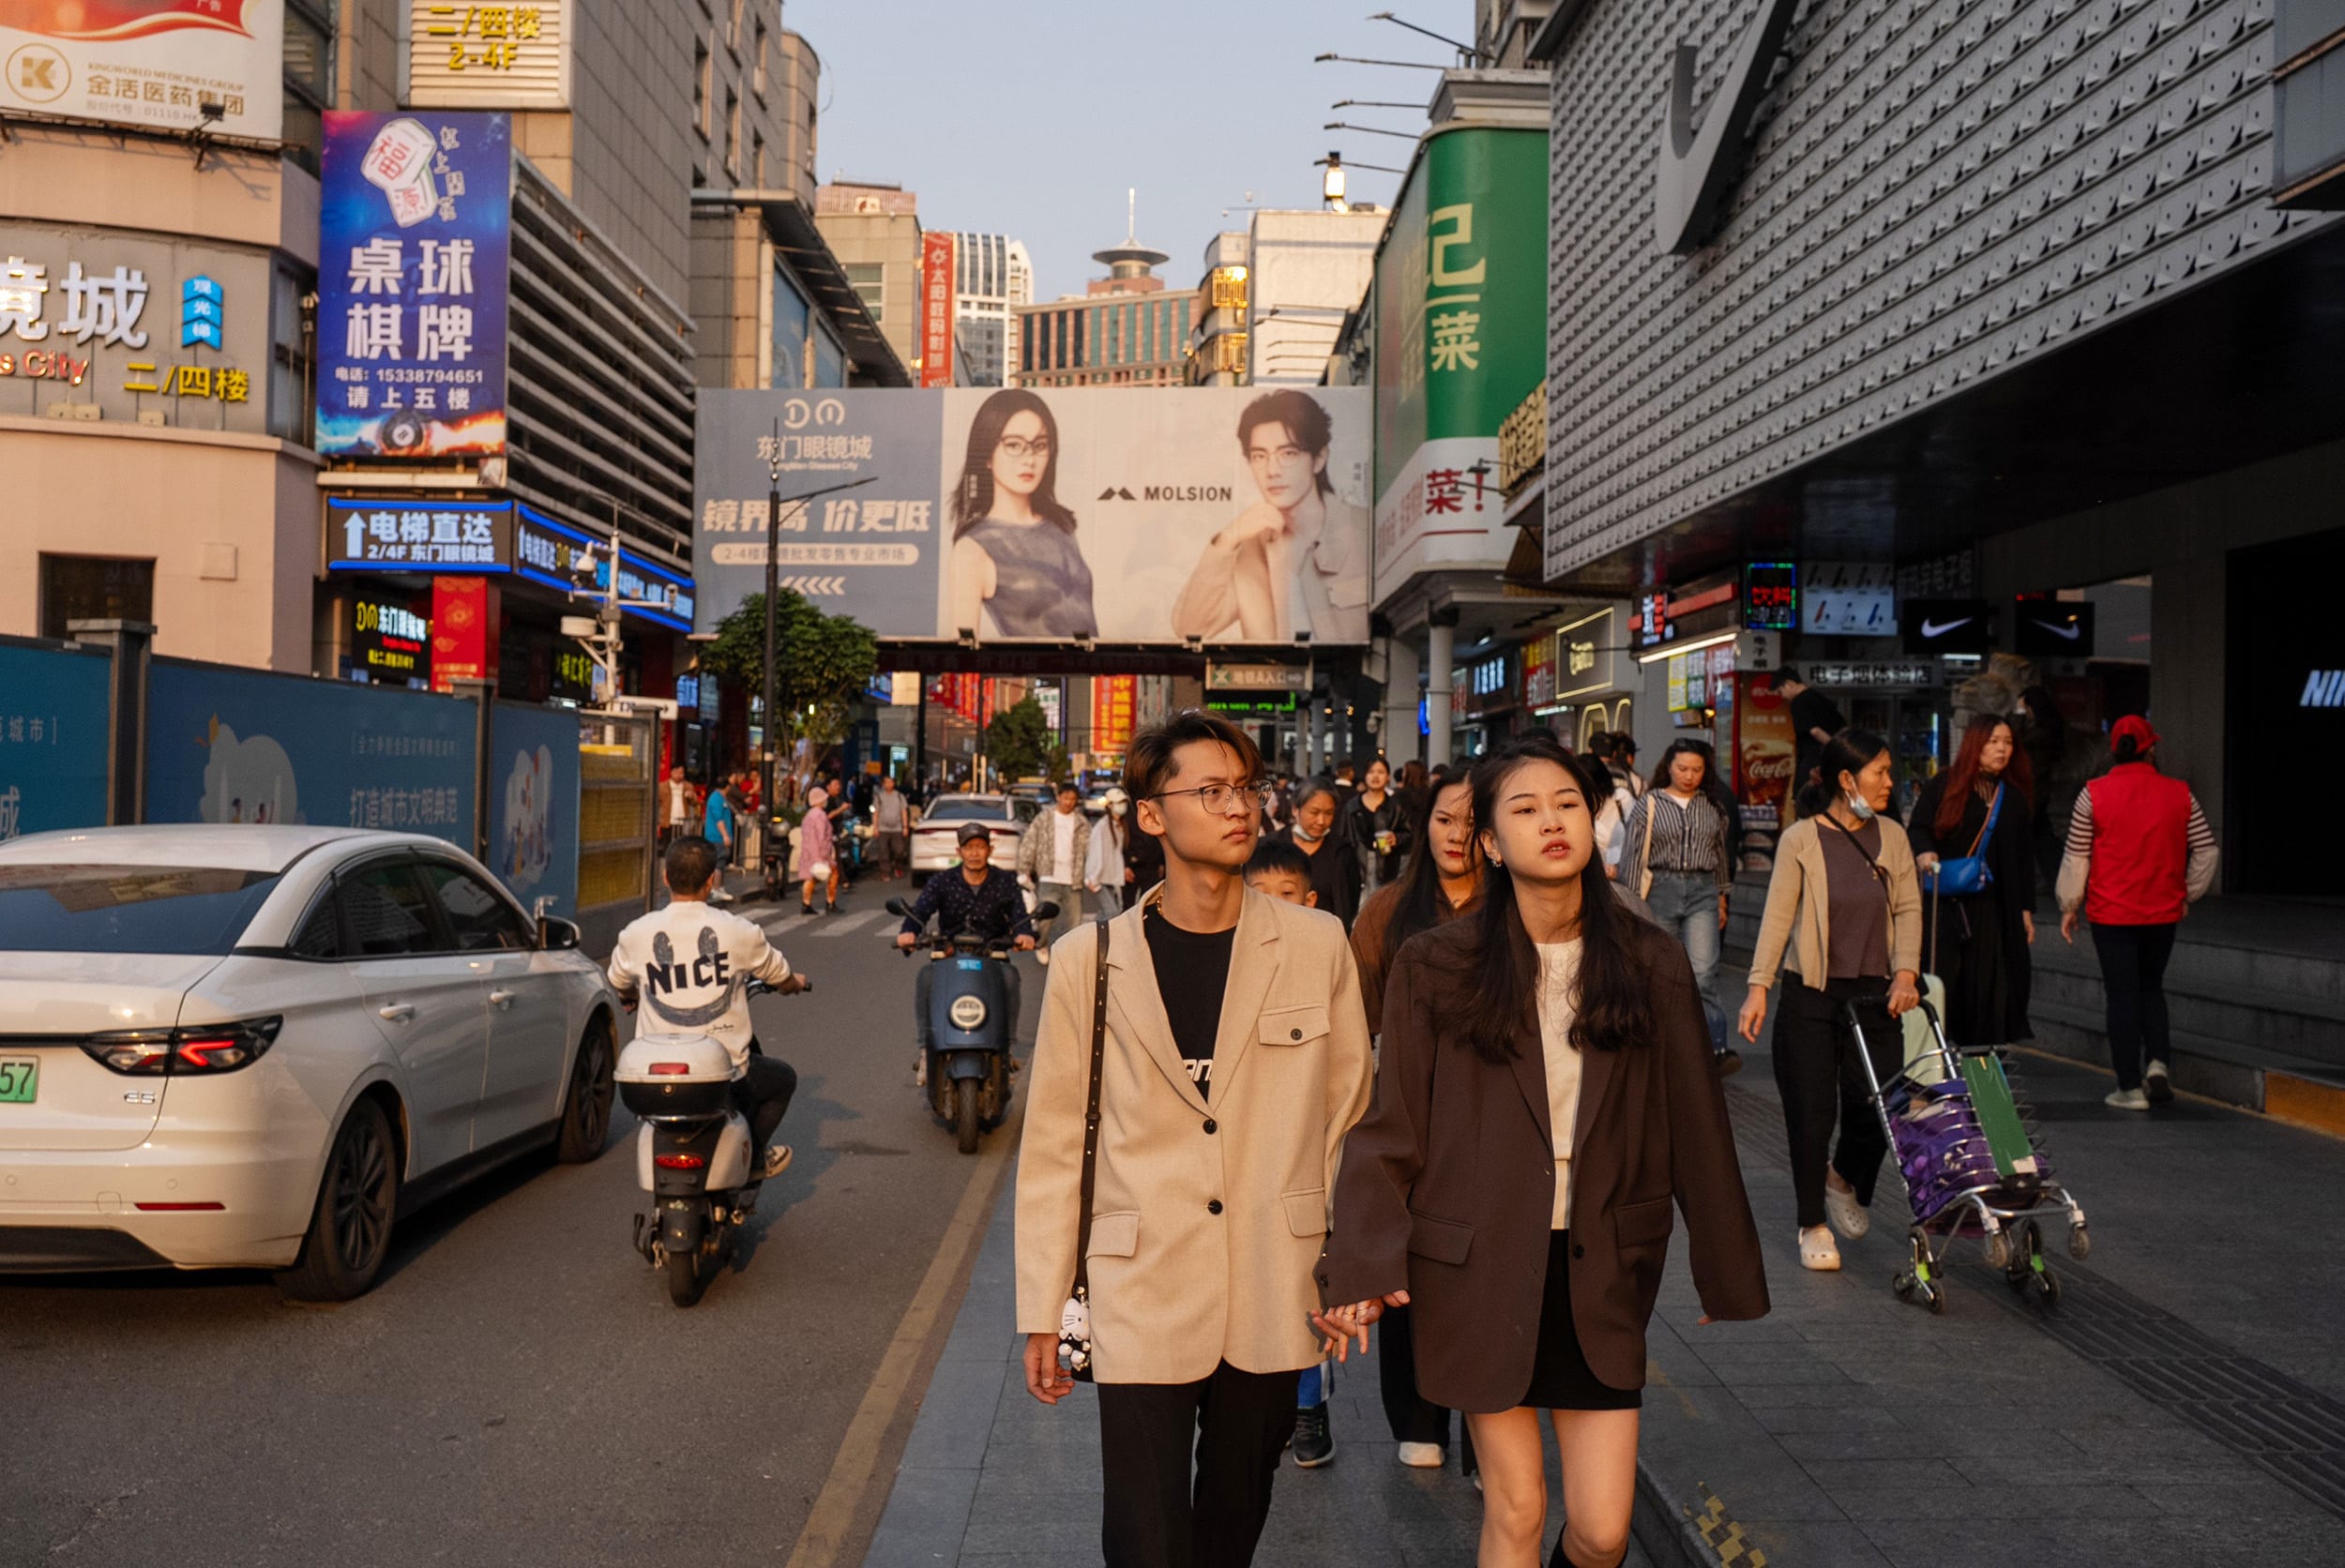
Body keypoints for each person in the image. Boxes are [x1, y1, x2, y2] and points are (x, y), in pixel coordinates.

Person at [1317, 734, 1768, 1568]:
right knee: (1518, 1511)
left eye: (1567, 804)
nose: (1551, 823)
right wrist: (1362, 1262)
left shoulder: (1649, 960)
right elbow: (1393, 1123)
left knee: (1600, 1533)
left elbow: (1697, 1124)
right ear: (1489, 841)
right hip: (1476, 1262)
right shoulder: (1436, 964)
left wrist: (1725, 1264)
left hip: (1600, 1263)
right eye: (1523, 810)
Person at [1017, 711, 1374, 1568]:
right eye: (1209, 791)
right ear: (1151, 815)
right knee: (1143, 1538)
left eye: (1246, 789)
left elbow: (1350, 1120)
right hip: (1138, 1281)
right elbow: (1057, 1145)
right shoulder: (1087, 959)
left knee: (1233, 1524)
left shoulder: (1318, 944)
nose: (1237, 807)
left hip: (1274, 1280)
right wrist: (1041, 1310)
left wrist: (1348, 1266)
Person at [1736, 730, 1924, 1274]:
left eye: (1890, 772)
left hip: (1877, 993)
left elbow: (1909, 909)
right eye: (1881, 773)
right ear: (1848, 780)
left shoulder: (1892, 835)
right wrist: (1757, 987)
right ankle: (1811, 1221)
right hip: (1811, 995)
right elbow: (1778, 917)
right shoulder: (1800, 839)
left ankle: (1844, 1178)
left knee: (1880, 1107)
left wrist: (1907, 972)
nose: (1890, 782)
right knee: (1812, 1113)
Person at [1345, 762, 1485, 1479]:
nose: (1456, 834)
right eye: (1443, 818)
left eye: (1470, 820)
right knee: (1410, 1268)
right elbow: (1356, 1022)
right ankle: (1420, 1415)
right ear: (1421, 824)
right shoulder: (1388, 911)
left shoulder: (1518, 906)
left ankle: (1488, 1417)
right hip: (1410, 1113)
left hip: (1496, 1120)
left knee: (1489, 1268)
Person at [607, 836, 808, 1180]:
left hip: (650, 1079)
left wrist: (630, 995)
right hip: (722, 1074)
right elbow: (780, 974)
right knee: (782, 1081)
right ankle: (756, 1158)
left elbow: (619, 980)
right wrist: (794, 984)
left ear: (665, 878)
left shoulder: (636, 934)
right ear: (712, 879)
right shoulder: (740, 931)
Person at [2056, 715, 2219, 1110]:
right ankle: (2159, 1064)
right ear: (2151, 749)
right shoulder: (2180, 793)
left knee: (2122, 995)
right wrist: (2187, 893)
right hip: (2162, 912)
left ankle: (2128, 1087)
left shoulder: (2092, 794)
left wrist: (2070, 905)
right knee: (2151, 987)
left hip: (2112, 913)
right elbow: (2207, 848)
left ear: (2114, 749)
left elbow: (2077, 856)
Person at [1241, 837, 1336, 1470]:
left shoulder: (1327, 961)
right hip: (1242, 1163)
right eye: (1261, 896)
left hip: (1303, 1161)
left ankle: (1308, 1406)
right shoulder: (1224, 965)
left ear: (1310, 902)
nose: (1273, 909)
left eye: (1286, 897)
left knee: (1305, 1295)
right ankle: (1258, 1406)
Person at [1170, 389, 1369, 644]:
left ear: (1319, 459)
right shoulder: (1250, 550)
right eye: (1259, 456)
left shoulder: (1364, 533)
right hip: (1275, 682)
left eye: (1288, 454)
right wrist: (1227, 539)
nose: (1272, 471)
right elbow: (1190, 628)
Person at [1907, 714, 2037, 1051]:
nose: (2002, 749)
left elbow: (2024, 858)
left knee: (1989, 986)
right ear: (1975, 744)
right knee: (1945, 979)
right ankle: (1936, 1056)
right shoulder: (1944, 785)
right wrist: (1925, 853)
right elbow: (1919, 827)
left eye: (2007, 742)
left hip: (1994, 908)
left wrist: (2025, 909)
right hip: (1946, 904)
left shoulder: (2014, 797)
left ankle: (1979, 1060)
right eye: (1993, 741)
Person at [1618, 740, 1738, 1074]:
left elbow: (1719, 857)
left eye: (1696, 770)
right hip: (1660, 889)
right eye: (1682, 768)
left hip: (1703, 890)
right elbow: (1632, 854)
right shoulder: (1649, 804)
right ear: (1668, 766)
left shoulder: (1712, 807)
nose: (1689, 775)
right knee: (1658, 971)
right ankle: (1658, 1047)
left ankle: (1715, 1050)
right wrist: (1630, 902)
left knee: (1703, 972)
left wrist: (1722, 896)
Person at [898, 822, 1038, 1085]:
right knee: (925, 978)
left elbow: (1020, 917)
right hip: (949, 957)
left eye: (980, 847)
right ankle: (926, 1050)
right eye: (969, 847)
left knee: (1010, 978)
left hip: (992, 957)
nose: (974, 853)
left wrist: (1025, 934)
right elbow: (920, 912)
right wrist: (908, 932)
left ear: (990, 850)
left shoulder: (1005, 882)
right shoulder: (942, 881)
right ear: (959, 851)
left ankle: (1005, 1051)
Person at [949, 389, 1096, 638]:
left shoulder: (1061, 527)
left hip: (1094, 668)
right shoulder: (972, 550)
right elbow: (961, 647)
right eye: (1014, 445)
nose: (1029, 459)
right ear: (986, 454)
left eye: (1039, 445)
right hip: (1026, 672)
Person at [1019, 778, 1092, 965]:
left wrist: (1091, 872)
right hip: (1049, 875)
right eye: (1065, 798)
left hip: (1073, 878)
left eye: (1072, 799)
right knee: (1045, 918)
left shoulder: (1082, 822)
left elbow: (1090, 849)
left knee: (1074, 921)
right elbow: (1030, 842)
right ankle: (1041, 944)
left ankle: (1069, 953)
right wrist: (1024, 868)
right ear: (1058, 797)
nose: (1068, 802)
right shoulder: (1044, 818)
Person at [1272, 777, 1361, 927]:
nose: (1321, 821)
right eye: (1314, 812)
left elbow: (1350, 900)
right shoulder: (1272, 847)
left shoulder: (1342, 852)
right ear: (1295, 809)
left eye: (1329, 813)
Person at [1774, 670, 1846, 813]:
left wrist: (1834, 748)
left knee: (1807, 808)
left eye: (1780, 691)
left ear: (1789, 684)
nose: (1782, 697)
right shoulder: (1822, 699)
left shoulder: (1798, 702)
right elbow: (1843, 727)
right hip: (1831, 766)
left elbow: (1815, 731)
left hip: (1812, 764)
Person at [1343, 757, 1406, 896]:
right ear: (1365, 776)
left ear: (1388, 777)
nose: (1375, 776)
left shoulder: (1396, 806)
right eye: (1371, 772)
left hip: (1386, 866)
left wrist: (1396, 838)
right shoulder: (1352, 806)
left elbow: (1409, 835)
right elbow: (1344, 835)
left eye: (1381, 772)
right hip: (1357, 865)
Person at [1087, 786, 1136, 913]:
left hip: (1110, 878)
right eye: (1118, 803)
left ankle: (1094, 933)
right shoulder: (1102, 826)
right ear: (1109, 805)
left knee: (1109, 913)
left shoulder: (1120, 826)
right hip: (1099, 879)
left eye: (1123, 802)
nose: (1122, 806)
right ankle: (1090, 933)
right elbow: (1096, 853)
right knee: (1111, 912)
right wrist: (1093, 878)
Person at [799, 786, 838, 915]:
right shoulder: (821, 815)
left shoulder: (808, 815)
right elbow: (822, 836)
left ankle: (806, 903)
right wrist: (825, 854)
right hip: (820, 851)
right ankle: (830, 902)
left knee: (810, 878)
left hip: (808, 852)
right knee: (833, 875)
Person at [701, 780, 737, 904]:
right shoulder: (716, 799)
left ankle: (719, 887)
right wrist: (725, 835)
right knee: (718, 862)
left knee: (721, 862)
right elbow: (719, 819)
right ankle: (715, 888)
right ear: (726, 787)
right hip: (716, 837)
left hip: (718, 836)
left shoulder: (721, 798)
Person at [872, 774, 912, 882]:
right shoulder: (879, 796)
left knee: (899, 850)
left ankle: (898, 866)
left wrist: (905, 827)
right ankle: (885, 872)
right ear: (883, 784)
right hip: (883, 828)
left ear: (894, 783)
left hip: (897, 827)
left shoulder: (899, 796)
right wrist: (875, 827)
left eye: (890, 782)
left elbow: (904, 811)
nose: (888, 784)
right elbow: (876, 812)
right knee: (883, 851)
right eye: (886, 782)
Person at [662, 764, 693, 850]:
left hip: (682, 820)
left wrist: (691, 796)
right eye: (676, 772)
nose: (679, 775)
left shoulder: (688, 786)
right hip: (667, 820)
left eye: (681, 773)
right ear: (671, 772)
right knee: (667, 844)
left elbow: (695, 802)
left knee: (681, 844)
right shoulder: (663, 786)